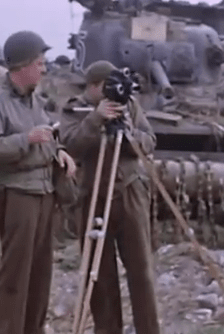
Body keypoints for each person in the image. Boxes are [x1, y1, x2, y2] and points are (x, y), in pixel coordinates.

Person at [0, 30, 77, 334]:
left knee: (40, 275)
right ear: (23, 65)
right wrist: (24, 139)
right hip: (14, 196)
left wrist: (60, 153)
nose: (44, 69)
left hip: (44, 194)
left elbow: (47, 137)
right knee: (12, 276)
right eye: (40, 63)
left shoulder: (36, 102)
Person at [59, 60, 161, 334]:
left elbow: (150, 140)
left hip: (129, 192)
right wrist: (96, 119)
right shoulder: (74, 109)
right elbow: (70, 145)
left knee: (141, 272)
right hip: (93, 195)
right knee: (100, 277)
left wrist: (127, 132)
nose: (113, 93)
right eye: (107, 88)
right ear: (94, 87)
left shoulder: (129, 105)